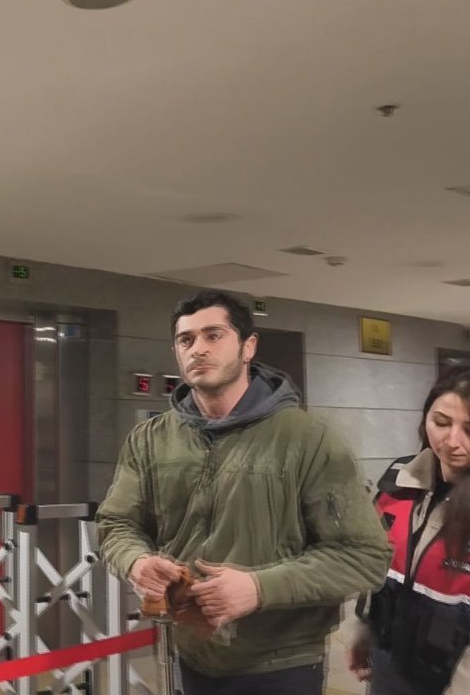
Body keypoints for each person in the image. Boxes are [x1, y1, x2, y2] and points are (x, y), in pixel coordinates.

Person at [97, 290, 390, 694]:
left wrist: (258, 588)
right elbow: (116, 524)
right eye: (186, 340)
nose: (198, 349)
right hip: (189, 653)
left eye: (213, 335)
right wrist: (136, 562)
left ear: (248, 346)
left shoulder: (308, 439)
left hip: (281, 661)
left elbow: (364, 556)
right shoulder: (150, 440)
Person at [348, 367, 470, 694]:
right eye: (441, 422)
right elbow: (380, 568)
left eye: (469, 429)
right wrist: (364, 631)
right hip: (390, 661)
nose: (452, 441)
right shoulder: (399, 482)